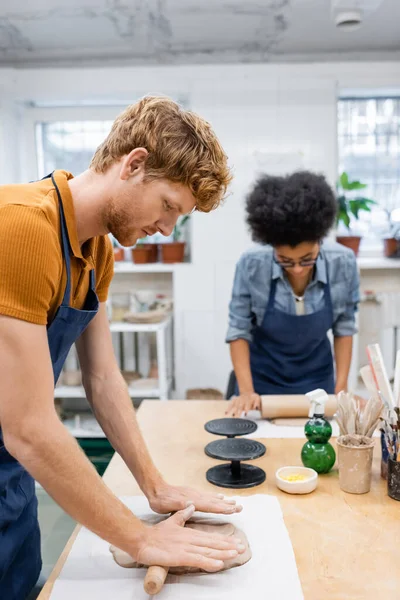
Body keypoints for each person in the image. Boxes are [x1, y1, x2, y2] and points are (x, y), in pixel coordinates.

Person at [0, 96, 244, 600]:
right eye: (168, 206)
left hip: (11, 477)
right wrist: (140, 538)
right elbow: (26, 425)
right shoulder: (20, 228)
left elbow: (103, 378)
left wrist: (154, 487)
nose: (166, 228)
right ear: (133, 164)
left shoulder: (96, 250)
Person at [225, 171, 360, 418]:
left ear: (320, 240)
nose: (297, 270)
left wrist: (340, 390)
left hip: (319, 385)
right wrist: (246, 391)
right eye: (286, 261)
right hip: (262, 386)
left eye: (307, 259)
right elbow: (238, 330)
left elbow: (344, 328)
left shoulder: (343, 262)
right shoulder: (252, 264)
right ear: (272, 246)